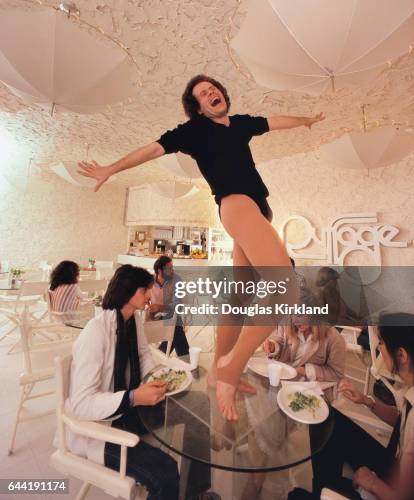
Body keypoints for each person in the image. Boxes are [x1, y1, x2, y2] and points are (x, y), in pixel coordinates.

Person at [78, 74, 325, 420]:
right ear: (197, 107)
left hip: (257, 211)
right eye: (203, 94)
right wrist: (112, 168)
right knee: (286, 290)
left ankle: (216, 376)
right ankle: (230, 369)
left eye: (214, 90)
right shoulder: (193, 132)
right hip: (236, 205)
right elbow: (151, 149)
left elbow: (275, 122)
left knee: (239, 296)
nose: (212, 94)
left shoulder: (240, 125)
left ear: (222, 95)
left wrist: (307, 121)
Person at [63, 264, 179, 500]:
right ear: (129, 292)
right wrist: (134, 397)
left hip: (129, 412)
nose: (149, 295)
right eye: (145, 290)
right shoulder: (95, 333)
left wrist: (155, 381)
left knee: (193, 410)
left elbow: (143, 355)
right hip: (101, 429)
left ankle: (195, 491)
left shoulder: (132, 321)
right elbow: (81, 404)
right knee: (165, 472)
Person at [290, 313, 414, 500]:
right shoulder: (409, 388)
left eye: (381, 342)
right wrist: (366, 401)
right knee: (328, 418)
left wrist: (372, 482)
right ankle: (324, 487)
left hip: (394, 487)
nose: (379, 347)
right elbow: (400, 420)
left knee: (295, 496)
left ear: (401, 355)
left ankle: (326, 491)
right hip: (394, 460)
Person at [262, 316, 345, 382]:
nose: (295, 319)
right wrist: (273, 347)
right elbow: (281, 341)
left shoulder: (334, 338)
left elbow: (337, 374)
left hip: (308, 388)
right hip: (279, 378)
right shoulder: (286, 322)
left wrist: (306, 370)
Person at [148, 255, 189, 356]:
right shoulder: (149, 281)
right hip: (154, 318)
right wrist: (150, 309)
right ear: (159, 271)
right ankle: (185, 360)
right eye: (169, 268)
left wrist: (160, 307)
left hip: (171, 315)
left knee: (174, 324)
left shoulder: (177, 280)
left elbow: (177, 304)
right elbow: (143, 299)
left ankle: (160, 354)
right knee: (177, 328)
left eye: (172, 267)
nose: (172, 271)